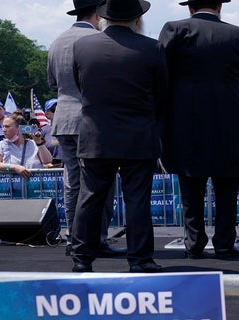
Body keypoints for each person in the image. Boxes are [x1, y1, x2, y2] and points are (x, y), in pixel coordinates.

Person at [71, 0, 166, 273]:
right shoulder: (152, 48)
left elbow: (81, 87)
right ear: (138, 20)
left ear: (103, 19)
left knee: (89, 199)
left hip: (96, 136)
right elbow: (162, 94)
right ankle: (140, 259)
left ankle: (81, 258)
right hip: (138, 136)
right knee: (137, 200)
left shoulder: (83, 46)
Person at [159, 0, 239, 259]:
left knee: (190, 188)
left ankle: (194, 242)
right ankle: (225, 243)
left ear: (190, 7)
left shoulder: (174, 29)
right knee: (227, 187)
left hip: (187, 119)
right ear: (219, 7)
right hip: (229, 117)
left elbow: (161, 70)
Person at [47, 0, 123, 259]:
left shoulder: (58, 40)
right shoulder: (98, 40)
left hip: (64, 120)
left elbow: (52, 81)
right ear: (98, 14)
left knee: (73, 183)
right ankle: (96, 239)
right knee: (101, 184)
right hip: (92, 121)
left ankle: (74, 239)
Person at [0, 111, 53, 177]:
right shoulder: (2, 144)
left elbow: (47, 161)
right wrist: (14, 167)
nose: (4, 130)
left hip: (35, 185)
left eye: (7, 127)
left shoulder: (33, 144)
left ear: (19, 128)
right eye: (3, 126)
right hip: (12, 186)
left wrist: (39, 143)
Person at [39, 98, 61, 164]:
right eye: (54, 109)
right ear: (47, 114)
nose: (58, 111)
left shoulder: (72, 129)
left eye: (60, 109)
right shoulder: (42, 131)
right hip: (49, 172)